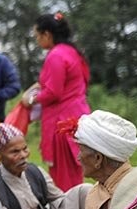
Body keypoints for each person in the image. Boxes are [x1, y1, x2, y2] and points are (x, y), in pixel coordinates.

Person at [22, 12, 90, 191]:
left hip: (63, 123)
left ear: (47, 35)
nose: (37, 40)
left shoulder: (56, 55)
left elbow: (53, 92)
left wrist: (32, 99)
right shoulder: (73, 52)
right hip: (77, 117)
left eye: (38, 35)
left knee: (63, 177)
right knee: (75, 172)